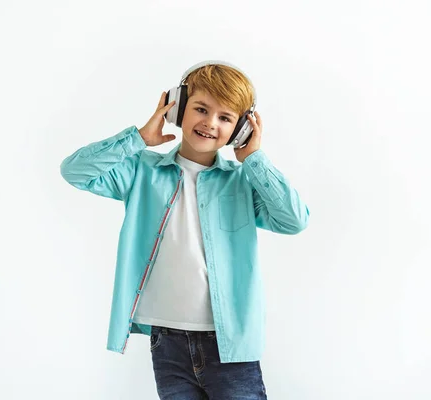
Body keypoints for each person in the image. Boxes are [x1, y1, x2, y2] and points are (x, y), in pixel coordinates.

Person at [60, 61, 310, 399]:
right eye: (201, 109)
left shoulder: (243, 183)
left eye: (225, 118)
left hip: (230, 345)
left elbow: (294, 220)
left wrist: (254, 159)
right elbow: (75, 171)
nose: (210, 123)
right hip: (168, 343)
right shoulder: (141, 173)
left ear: (240, 129)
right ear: (178, 108)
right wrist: (137, 139)